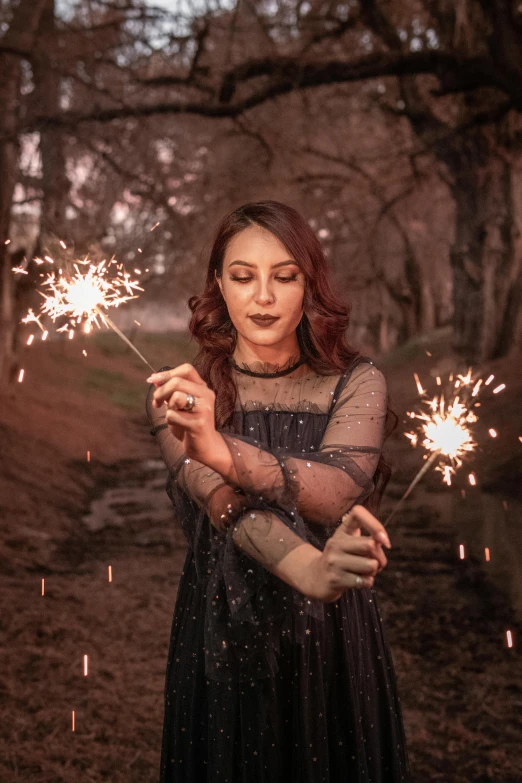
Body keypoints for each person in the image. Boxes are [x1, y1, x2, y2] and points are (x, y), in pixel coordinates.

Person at [146, 200, 411, 782]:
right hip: (220, 639)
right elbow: (227, 511)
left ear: (309, 284)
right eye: (243, 277)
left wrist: (222, 450)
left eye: (284, 277)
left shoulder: (358, 383)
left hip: (333, 635)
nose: (263, 297)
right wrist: (310, 571)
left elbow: (335, 492)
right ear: (218, 284)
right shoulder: (181, 396)